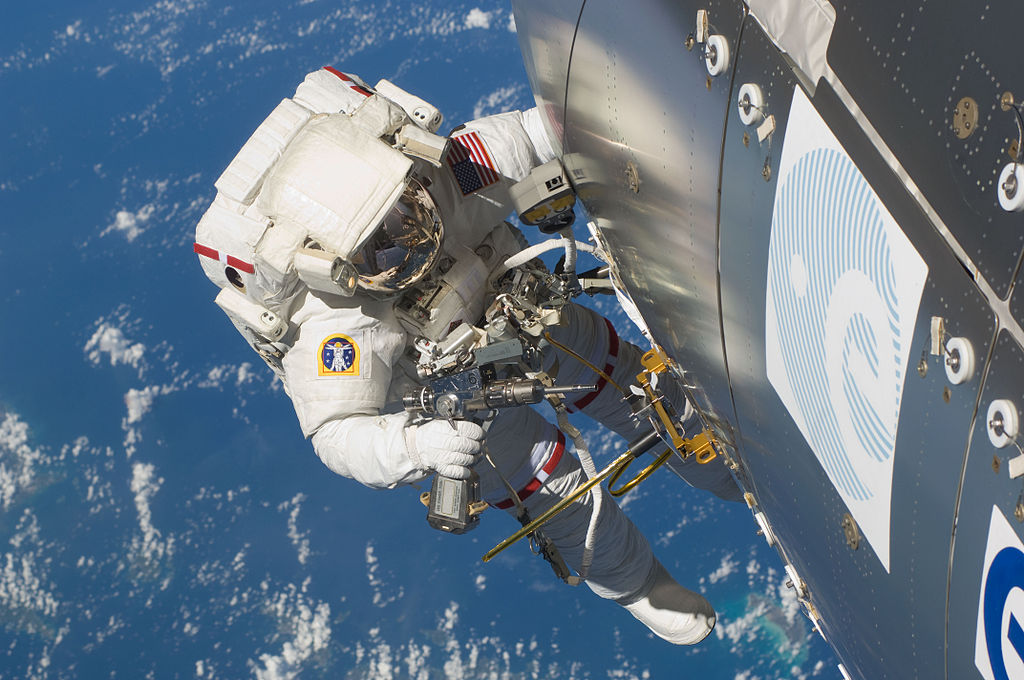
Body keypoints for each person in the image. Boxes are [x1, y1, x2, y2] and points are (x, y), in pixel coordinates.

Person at [194, 67, 740, 644]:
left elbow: (541, 132)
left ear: (405, 179)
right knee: (557, 495)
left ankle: (729, 466)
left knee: (638, 388)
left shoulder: (447, 175)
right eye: (375, 248)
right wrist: (414, 446)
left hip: (531, 316)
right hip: (462, 405)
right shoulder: (334, 323)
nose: (401, 243)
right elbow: (335, 432)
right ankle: (639, 585)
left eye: (402, 215)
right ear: (333, 266)